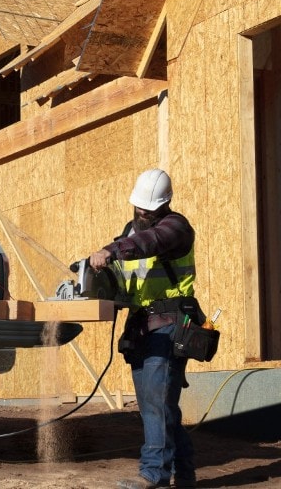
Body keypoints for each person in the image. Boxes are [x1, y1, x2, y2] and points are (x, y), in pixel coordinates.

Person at [89, 169, 198, 489]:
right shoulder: (129, 233)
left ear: (165, 204)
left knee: (156, 402)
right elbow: (126, 252)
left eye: (148, 208)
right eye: (138, 206)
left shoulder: (176, 228)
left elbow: (150, 242)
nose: (141, 212)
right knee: (160, 406)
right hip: (141, 326)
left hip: (170, 322)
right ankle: (185, 474)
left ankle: (154, 474)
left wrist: (112, 251)